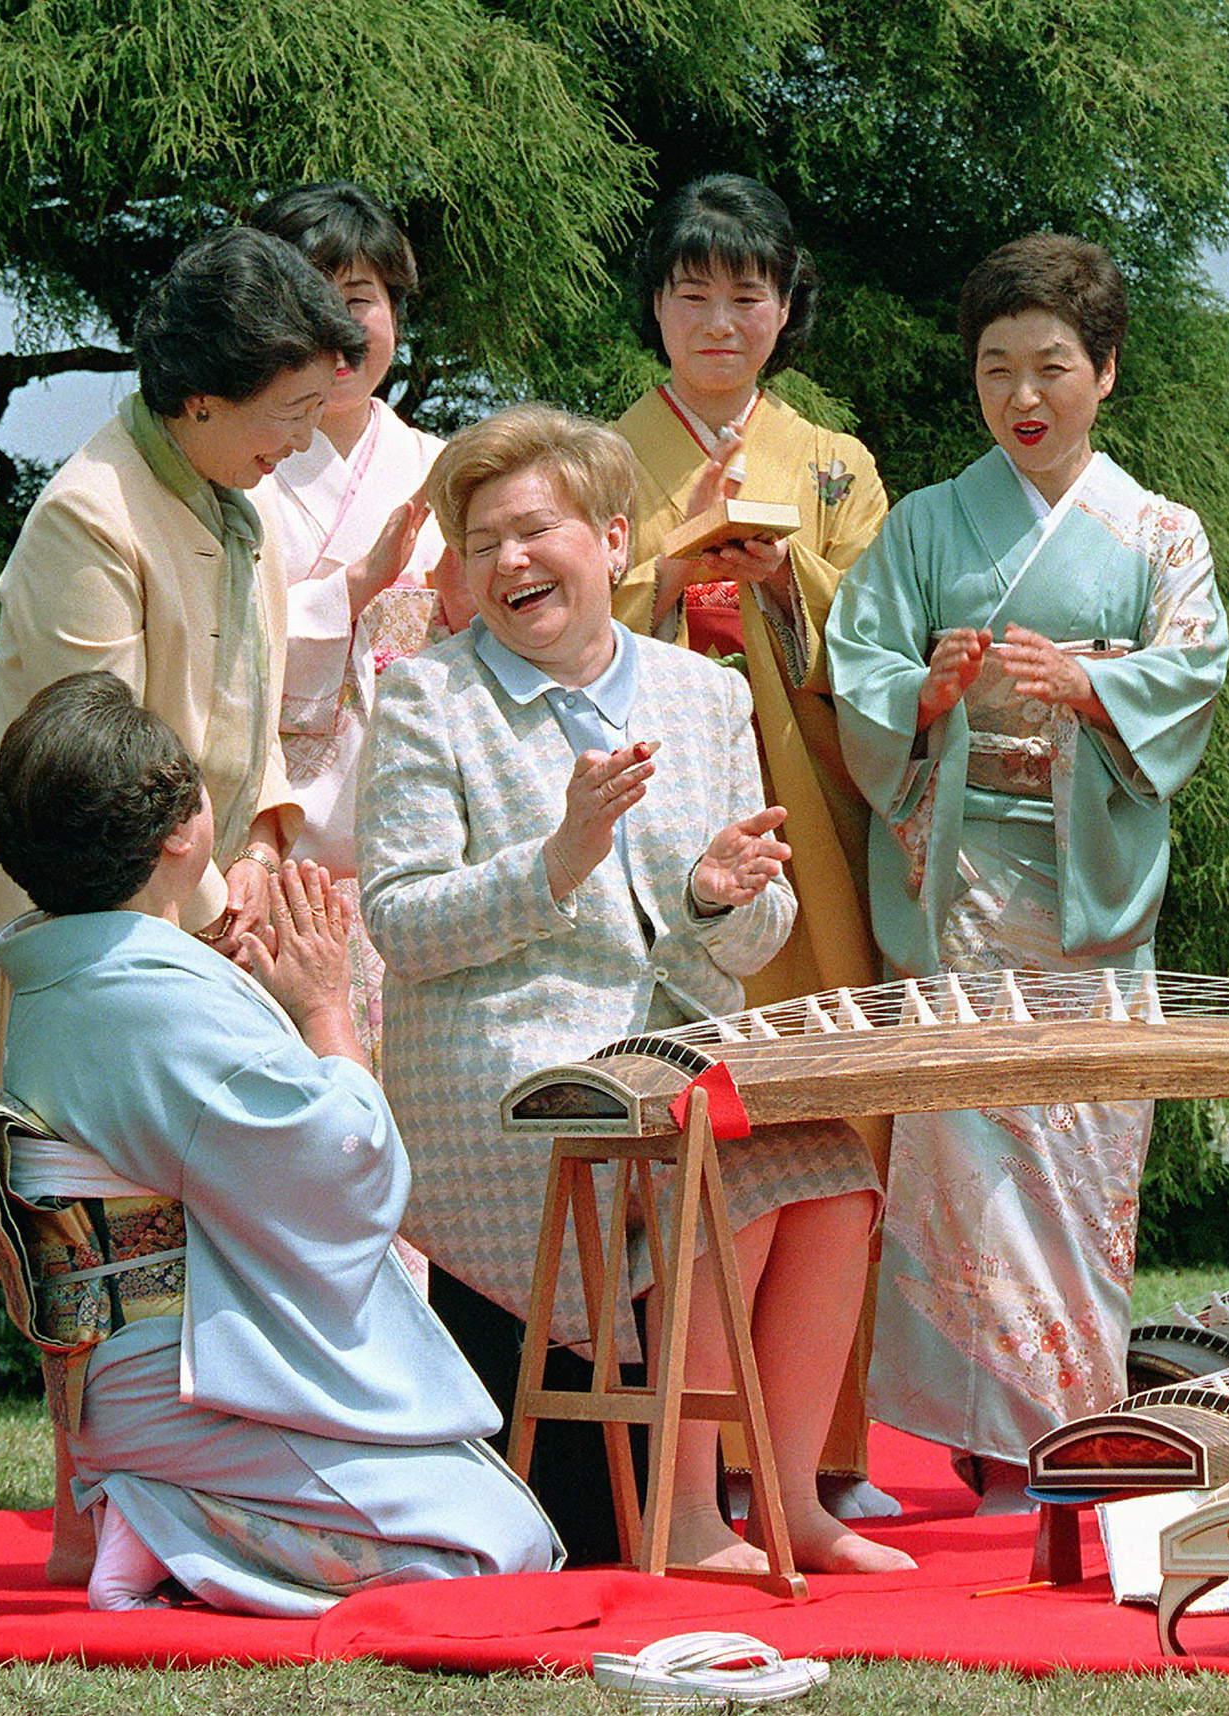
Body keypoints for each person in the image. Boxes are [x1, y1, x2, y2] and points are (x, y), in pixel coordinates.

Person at [359, 403, 913, 1576]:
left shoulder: (700, 694)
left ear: (613, 542)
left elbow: (755, 927)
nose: (509, 560)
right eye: (481, 542)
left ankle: (789, 1499)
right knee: (729, 1165)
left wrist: (721, 897)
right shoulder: (427, 696)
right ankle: (686, 1510)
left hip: (667, 1049)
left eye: (535, 529)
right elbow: (400, 926)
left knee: (834, 1171)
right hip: (500, 1067)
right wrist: (555, 860)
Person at [0, 224, 365, 1576]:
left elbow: (251, 730)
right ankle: (89, 1509)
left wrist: (252, 859)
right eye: (288, 411)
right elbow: (90, 766)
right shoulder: (92, 511)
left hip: (187, 906)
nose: (302, 439)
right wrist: (202, 895)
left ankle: (178, 1499)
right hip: (68, 927)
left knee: (183, 1222)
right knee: (77, 1217)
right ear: (199, 399)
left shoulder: (228, 494)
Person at [0, 670, 560, 1615]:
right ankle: (164, 1520)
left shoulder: (69, 973)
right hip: (189, 1388)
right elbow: (348, 1175)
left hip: (143, 1373)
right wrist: (326, 1006)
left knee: (482, 1502)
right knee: (497, 1547)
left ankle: (149, 1504)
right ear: (180, 831)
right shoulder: (155, 1000)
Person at [826, 233, 1229, 1513]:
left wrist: (1096, 684)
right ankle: (999, 1450)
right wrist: (929, 691)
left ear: (1103, 371)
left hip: (1091, 887)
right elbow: (865, 670)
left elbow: (1193, 671)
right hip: (963, 881)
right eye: (995, 368)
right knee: (965, 1170)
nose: (1022, 395)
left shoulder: (1159, 533)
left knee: (1079, 1161)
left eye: (1051, 365)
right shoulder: (928, 523)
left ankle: (1075, 1429)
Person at [612, 173, 893, 1517]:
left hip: (809, 824)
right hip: (669, 831)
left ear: (787, 307)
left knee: (832, 1118)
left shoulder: (837, 464)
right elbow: (556, 614)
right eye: (693, 292)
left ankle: (820, 1455)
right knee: (690, 1125)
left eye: (747, 293)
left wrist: (796, 592)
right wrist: (660, 578)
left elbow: (882, 651)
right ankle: (677, 1457)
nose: (719, 320)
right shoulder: (604, 456)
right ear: (656, 303)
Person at [250, 183, 462, 1071]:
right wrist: (353, 589)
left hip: (420, 855)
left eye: (360, 302)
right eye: (312, 303)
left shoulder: (443, 466)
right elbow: (229, 648)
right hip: (276, 854)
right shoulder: (241, 469)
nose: (340, 333)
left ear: (395, 315)